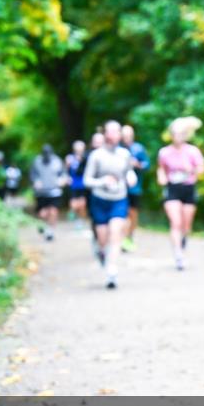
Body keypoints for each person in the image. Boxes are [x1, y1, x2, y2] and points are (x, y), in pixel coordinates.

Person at [83, 121, 138, 289]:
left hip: (119, 198)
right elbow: (87, 180)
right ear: (105, 134)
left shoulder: (124, 154)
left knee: (116, 233)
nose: (114, 135)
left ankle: (112, 270)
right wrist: (102, 181)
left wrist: (131, 176)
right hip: (100, 199)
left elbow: (129, 171)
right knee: (103, 238)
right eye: (110, 132)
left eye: (117, 132)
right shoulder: (96, 155)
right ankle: (101, 252)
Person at [156, 116, 204, 271]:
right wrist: (161, 177)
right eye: (175, 134)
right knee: (175, 222)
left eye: (181, 134)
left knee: (185, 225)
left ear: (185, 135)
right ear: (171, 135)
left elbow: (201, 169)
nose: (178, 137)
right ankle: (178, 254)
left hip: (188, 188)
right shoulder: (164, 152)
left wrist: (189, 170)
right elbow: (161, 168)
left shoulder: (193, 151)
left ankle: (183, 239)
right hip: (172, 189)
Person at [119, 124, 151, 252]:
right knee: (122, 213)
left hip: (135, 188)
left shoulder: (139, 148)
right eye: (124, 135)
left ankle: (129, 236)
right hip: (120, 188)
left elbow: (147, 165)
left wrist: (137, 164)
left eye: (129, 135)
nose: (126, 138)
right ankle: (122, 238)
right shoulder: (118, 149)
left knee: (133, 214)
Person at [30, 144, 67, 241]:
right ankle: (43, 226)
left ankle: (50, 231)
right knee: (42, 214)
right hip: (41, 193)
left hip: (54, 191)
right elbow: (33, 174)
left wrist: (62, 180)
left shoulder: (57, 161)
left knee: (53, 211)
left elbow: (63, 174)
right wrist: (36, 182)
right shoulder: (37, 161)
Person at [65, 140, 87, 223]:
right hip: (73, 182)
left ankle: (80, 220)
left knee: (82, 204)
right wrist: (67, 177)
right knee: (73, 204)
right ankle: (73, 216)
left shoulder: (86, 157)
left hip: (83, 182)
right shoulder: (70, 158)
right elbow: (66, 170)